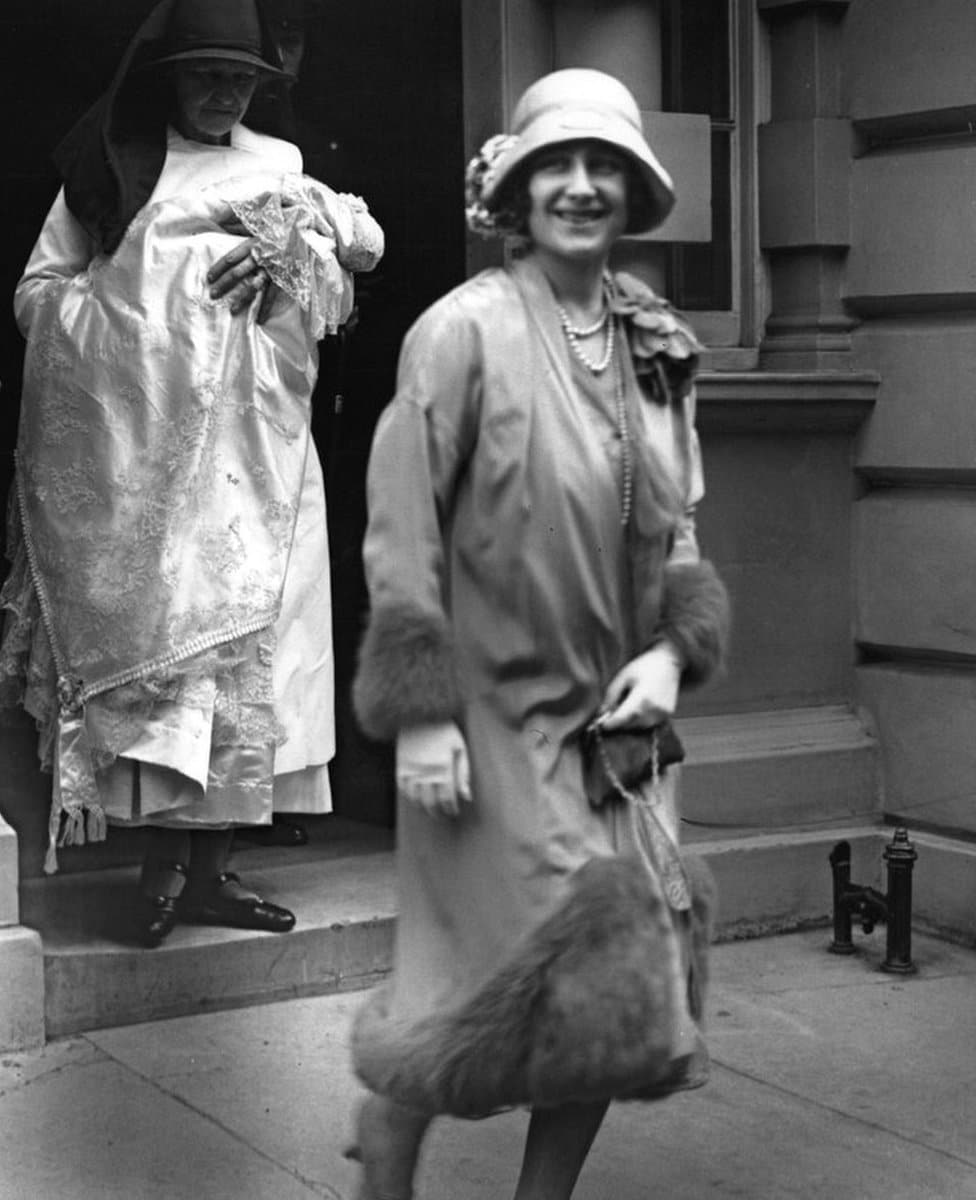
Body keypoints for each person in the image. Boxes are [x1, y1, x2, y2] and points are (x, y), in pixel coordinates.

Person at [347, 69, 730, 1200]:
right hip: (486, 720)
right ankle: (387, 1145)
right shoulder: (457, 334)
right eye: (553, 166)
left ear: (630, 192)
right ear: (515, 191)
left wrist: (671, 656)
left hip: (614, 727)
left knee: (620, 994)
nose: (578, 186)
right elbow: (399, 525)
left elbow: (680, 530)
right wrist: (419, 716)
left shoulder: (657, 346)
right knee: (476, 988)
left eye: (601, 166)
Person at [0, 0, 383, 946]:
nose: (225, 93)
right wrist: (143, 308)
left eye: (243, 79)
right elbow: (39, 293)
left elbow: (356, 252)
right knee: (174, 658)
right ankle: (162, 869)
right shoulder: (111, 168)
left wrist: (296, 256)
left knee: (259, 658)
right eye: (208, 74)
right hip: (149, 461)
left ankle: (216, 872)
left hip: (261, 456)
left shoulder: (280, 167)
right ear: (170, 75)